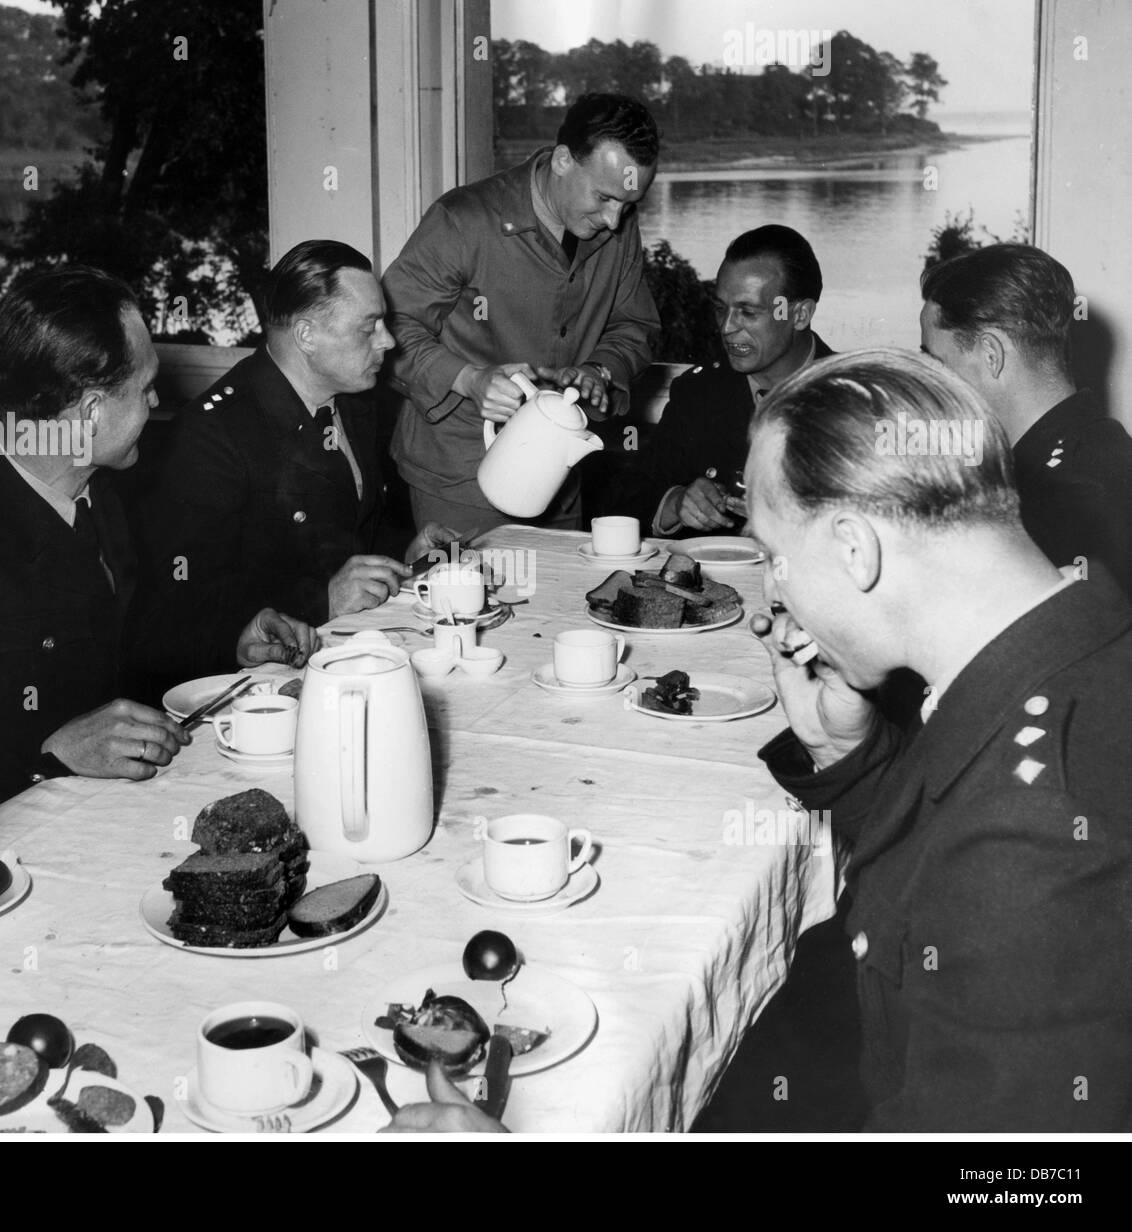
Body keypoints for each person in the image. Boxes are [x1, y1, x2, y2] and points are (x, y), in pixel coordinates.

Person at [391, 350, 1132, 1132]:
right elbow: (939, 876)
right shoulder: (1068, 652)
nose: (770, 591)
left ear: (856, 548)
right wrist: (848, 760)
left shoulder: (1037, 838)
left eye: (773, 557)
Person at [0, 268, 313, 839]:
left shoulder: (98, 494)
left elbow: (130, 643)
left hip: (108, 817)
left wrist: (230, 638)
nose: (156, 401)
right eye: (145, 388)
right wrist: (47, 751)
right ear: (91, 411)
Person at [131, 240, 452, 684]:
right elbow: (181, 606)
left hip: (349, 650)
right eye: (369, 327)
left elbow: (348, 531)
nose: (389, 340)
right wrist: (322, 599)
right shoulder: (211, 437)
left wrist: (405, 550)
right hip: (255, 681)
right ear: (306, 336)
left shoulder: (353, 403)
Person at [382, 92, 661, 533]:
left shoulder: (619, 226)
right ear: (563, 160)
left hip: (557, 473)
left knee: (552, 600)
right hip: (459, 478)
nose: (614, 221)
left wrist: (600, 370)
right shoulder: (463, 220)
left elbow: (635, 327)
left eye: (629, 205)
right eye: (605, 198)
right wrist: (467, 379)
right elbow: (390, 327)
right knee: (463, 601)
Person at [920, 242, 1132, 596]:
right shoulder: (1097, 451)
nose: (930, 383)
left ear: (991, 354)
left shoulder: (1067, 498)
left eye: (937, 362)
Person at [610, 225, 833, 536]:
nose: (727, 327)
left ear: (800, 314)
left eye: (748, 312)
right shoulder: (700, 392)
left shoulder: (851, 400)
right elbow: (629, 495)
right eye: (720, 309)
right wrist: (676, 503)